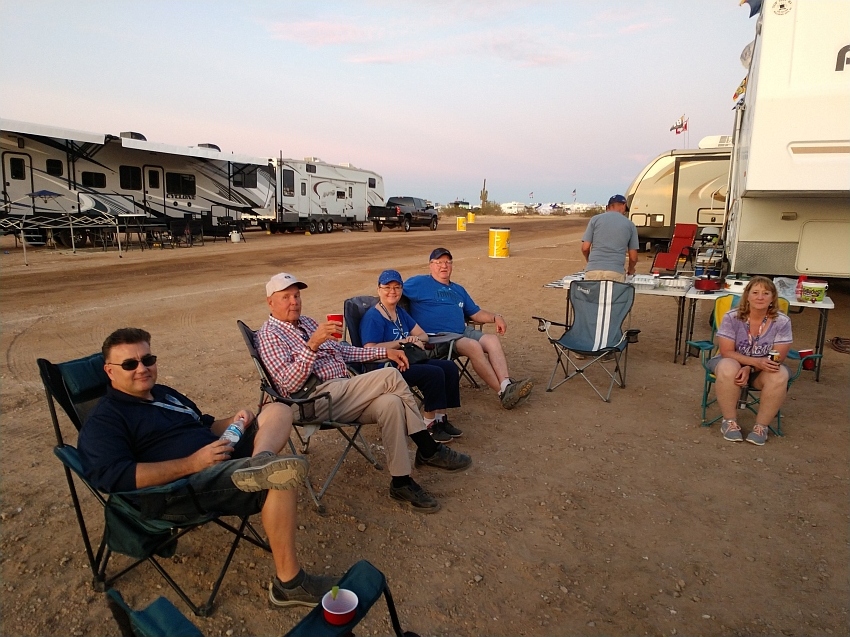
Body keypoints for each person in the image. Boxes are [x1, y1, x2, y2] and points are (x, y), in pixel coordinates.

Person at [77, 328, 337, 608]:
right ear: (110, 371)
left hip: (217, 454)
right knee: (280, 476)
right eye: (130, 364)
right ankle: (289, 585)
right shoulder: (106, 419)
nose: (142, 369)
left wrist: (235, 421)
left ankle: (259, 461)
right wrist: (194, 462)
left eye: (148, 360)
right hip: (179, 488)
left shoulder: (163, 394)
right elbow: (113, 476)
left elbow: (204, 425)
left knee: (278, 410)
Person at [255, 272, 472, 514]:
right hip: (312, 400)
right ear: (270, 302)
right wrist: (312, 345)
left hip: (342, 393)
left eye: (296, 296)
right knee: (390, 376)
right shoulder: (269, 335)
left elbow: (345, 352)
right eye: (286, 297)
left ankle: (401, 482)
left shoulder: (307, 323)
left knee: (391, 403)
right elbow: (289, 383)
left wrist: (385, 353)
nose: (294, 302)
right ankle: (428, 448)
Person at [403, 248, 533, 410]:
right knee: (473, 346)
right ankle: (503, 393)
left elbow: (475, 313)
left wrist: (495, 317)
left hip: (461, 332)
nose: (444, 266)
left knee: (492, 340)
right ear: (430, 265)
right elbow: (393, 291)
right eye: (439, 262)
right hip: (438, 338)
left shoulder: (458, 290)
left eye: (447, 262)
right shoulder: (418, 283)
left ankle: (506, 384)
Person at [360, 269, 463, 444]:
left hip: (409, 359)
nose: (392, 291)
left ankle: (440, 419)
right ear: (379, 290)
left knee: (449, 367)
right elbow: (369, 349)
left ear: (401, 289)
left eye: (397, 287)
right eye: (387, 287)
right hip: (387, 367)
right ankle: (428, 424)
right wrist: (400, 342)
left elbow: (423, 335)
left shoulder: (400, 313)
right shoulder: (373, 317)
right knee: (433, 373)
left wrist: (415, 339)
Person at [707, 276, 793, 446]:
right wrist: (752, 363)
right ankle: (729, 422)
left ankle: (761, 427)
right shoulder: (732, 317)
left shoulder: (782, 322)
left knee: (779, 374)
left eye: (765, 293)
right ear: (747, 296)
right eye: (755, 292)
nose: (760, 297)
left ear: (772, 298)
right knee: (728, 367)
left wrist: (750, 368)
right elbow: (726, 352)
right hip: (731, 362)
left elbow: (778, 357)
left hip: (763, 370)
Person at [581, 194, 639, 282]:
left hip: (593, 270)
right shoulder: (630, 225)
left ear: (607, 207)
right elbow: (633, 257)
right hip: (615, 272)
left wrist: (590, 261)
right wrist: (631, 269)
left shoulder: (595, 220)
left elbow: (585, 248)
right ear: (623, 206)